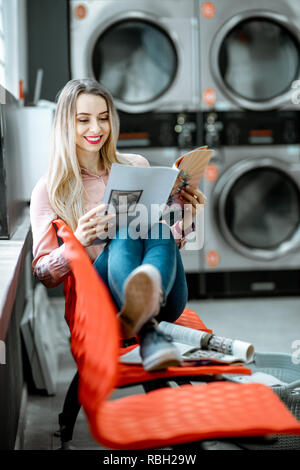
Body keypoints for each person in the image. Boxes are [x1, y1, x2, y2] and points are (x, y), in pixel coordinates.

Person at [30, 78, 204, 373]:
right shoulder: (49, 188)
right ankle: (149, 331)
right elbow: (44, 274)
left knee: (151, 226)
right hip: (101, 304)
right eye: (83, 120)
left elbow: (159, 242)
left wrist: (186, 220)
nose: (96, 129)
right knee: (127, 228)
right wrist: (79, 242)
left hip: (167, 299)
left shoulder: (136, 165)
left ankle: (145, 318)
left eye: (103, 118)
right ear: (65, 125)